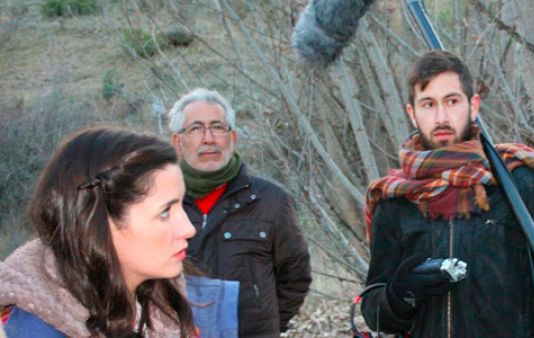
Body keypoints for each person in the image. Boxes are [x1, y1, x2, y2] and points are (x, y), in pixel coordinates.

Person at [360, 50, 534, 337]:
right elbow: (375, 313)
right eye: (428, 104)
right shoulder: (394, 200)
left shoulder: (517, 184)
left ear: (473, 105)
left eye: (452, 101)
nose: (441, 117)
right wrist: (402, 293)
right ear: (412, 113)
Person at [0, 127, 198, 337]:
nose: (189, 229)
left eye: (182, 206)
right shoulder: (27, 330)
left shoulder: (177, 306)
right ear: (98, 222)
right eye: (165, 212)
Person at [168, 88, 312, 337]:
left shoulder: (271, 200)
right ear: (177, 142)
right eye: (196, 129)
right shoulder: (160, 203)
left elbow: (295, 275)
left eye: (218, 127)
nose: (208, 138)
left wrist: (266, 326)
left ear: (232, 137)